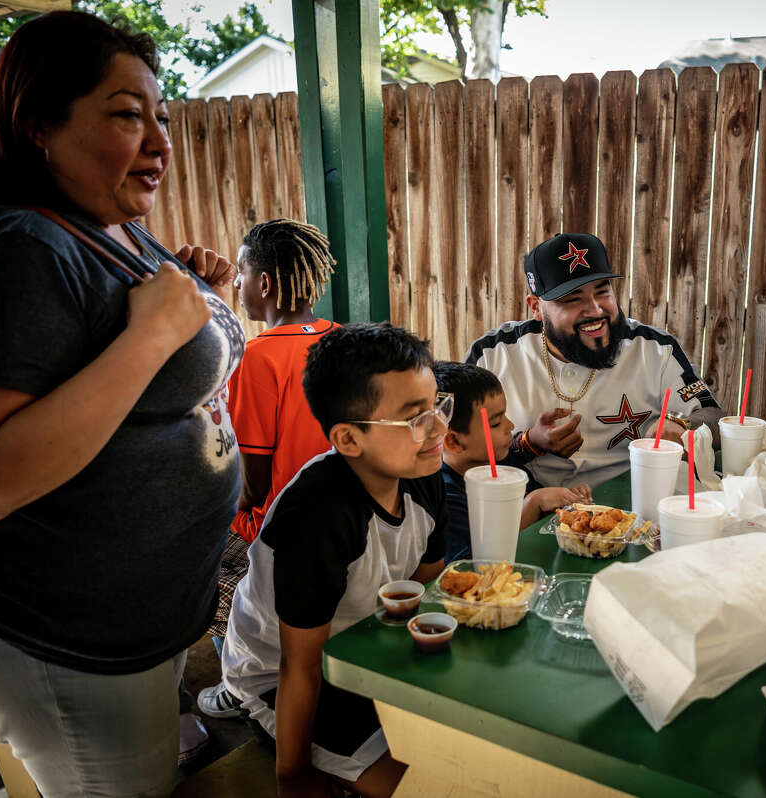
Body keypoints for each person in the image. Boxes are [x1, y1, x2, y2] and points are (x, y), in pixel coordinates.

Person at [0, 11, 241, 795]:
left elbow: (128, 355)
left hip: (146, 620)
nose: (162, 142)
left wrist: (200, 297)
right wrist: (151, 340)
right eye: (128, 116)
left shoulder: (112, 226)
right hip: (75, 645)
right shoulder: (24, 248)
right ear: (39, 126)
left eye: (161, 116)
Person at [221, 323, 448, 797]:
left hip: (368, 647)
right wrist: (295, 775)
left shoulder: (421, 470)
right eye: (414, 417)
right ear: (347, 440)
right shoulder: (317, 517)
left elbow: (430, 591)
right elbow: (297, 667)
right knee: (428, 788)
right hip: (283, 675)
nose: (438, 429)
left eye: (437, 407)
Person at [197, 219, 339, 720]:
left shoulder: (256, 357)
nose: (235, 285)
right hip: (338, 515)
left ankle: (240, 685)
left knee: (200, 561)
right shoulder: (341, 340)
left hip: (275, 528)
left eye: (241, 274)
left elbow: (252, 488)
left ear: (265, 284)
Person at [467, 232, 723, 488]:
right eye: (572, 299)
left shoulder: (654, 348)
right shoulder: (493, 353)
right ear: (535, 307)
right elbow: (459, 450)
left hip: (629, 502)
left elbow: (714, 417)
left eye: (602, 292)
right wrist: (528, 444)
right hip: (526, 506)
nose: (595, 310)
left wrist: (681, 423)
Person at [434, 361, 591, 561]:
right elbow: (469, 564)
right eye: (496, 423)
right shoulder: (446, 496)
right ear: (454, 441)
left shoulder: (503, 461)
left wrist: (567, 501)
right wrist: (534, 502)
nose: (510, 425)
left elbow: (544, 513)